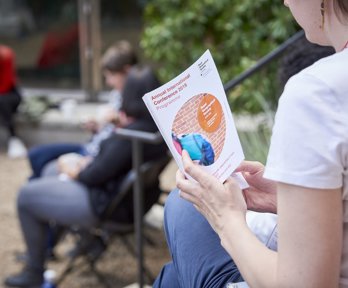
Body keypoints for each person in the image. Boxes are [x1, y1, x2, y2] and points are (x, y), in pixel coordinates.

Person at [154, 0, 348, 287]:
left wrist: (225, 218)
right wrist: (291, 200)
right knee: (174, 275)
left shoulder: (317, 93)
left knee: (182, 206)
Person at [4, 65, 167, 288]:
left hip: (105, 205)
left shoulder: (130, 137)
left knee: (26, 197)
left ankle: (34, 271)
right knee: (51, 169)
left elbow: (93, 176)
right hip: (124, 199)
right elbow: (107, 166)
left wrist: (73, 168)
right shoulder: (155, 130)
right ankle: (71, 241)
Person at [27, 40, 138, 179]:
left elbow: (122, 144)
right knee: (36, 156)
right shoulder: (117, 95)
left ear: (126, 71)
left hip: (96, 156)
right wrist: (97, 127)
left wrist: (118, 123)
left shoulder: (135, 104)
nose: (108, 82)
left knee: (40, 168)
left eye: (111, 76)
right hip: (92, 147)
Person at [0, 45, 27, 158]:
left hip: (8, 94)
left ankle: (13, 138)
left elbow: (5, 86)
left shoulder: (6, 55)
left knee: (2, 101)